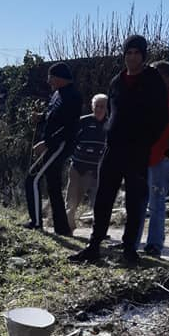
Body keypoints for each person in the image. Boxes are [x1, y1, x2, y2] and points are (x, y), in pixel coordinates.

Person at [71, 35, 168, 266]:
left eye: (137, 53)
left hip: (137, 151)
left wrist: (146, 142)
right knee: (103, 198)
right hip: (113, 148)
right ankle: (94, 246)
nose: (132, 57)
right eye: (129, 53)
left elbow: (162, 117)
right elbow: (113, 113)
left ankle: (129, 250)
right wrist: (110, 133)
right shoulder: (117, 81)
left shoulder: (153, 80)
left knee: (135, 202)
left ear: (143, 55)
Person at [24, 62, 82, 235]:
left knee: (32, 179)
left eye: (51, 77)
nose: (49, 81)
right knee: (53, 184)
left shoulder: (73, 96)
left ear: (59, 78)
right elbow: (53, 115)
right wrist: (40, 117)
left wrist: (47, 143)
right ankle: (62, 228)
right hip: (53, 143)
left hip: (60, 145)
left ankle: (36, 223)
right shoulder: (57, 94)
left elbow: (68, 127)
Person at [135, 60, 169, 257]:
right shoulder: (153, 95)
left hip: (164, 156)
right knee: (139, 200)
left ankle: (154, 244)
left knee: (157, 201)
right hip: (146, 154)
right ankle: (132, 241)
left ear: (163, 76)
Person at [65, 94, 107, 233]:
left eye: (102, 106)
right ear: (92, 107)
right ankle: (68, 228)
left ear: (107, 108)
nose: (99, 109)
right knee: (72, 202)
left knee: (100, 203)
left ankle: (99, 232)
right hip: (78, 168)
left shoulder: (110, 124)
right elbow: (70, 140)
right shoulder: (83, 122)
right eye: (97, 106)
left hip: (97, 171)